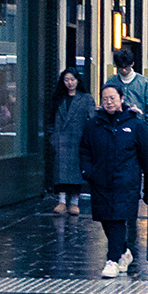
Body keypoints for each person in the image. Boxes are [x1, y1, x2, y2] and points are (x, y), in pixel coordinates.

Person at [81, 82, 148, 278]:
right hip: (100, 181)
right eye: (105, 99)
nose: (108, 102)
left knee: (118, 220)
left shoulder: (136, 125)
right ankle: (124, 252)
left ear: (121, 99)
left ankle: (112, 259)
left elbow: (146, 157)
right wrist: (88, 172)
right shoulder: (93, 125)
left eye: (112, 98)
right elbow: (84, 150)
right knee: (106, 219)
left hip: (126, 182)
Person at [49, 69, 95, 215]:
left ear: (78, 80)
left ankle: (75, 202)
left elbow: (92, 119)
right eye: (66, 80)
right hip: (61, 140)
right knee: (60, 172)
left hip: (78, 140)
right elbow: (50, 119)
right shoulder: (58, 98)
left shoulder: (86, 98)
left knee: (76, 172)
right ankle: (61, 201)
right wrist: (53, 137)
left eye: (72, 80)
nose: (69, 83)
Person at [105, 48, 148, 138]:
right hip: (115, 126)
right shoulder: (111, 82)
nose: (124, 71)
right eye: (121, 68)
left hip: (138, 127)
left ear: (132, 64)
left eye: (126, 67)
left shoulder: (144, 82)